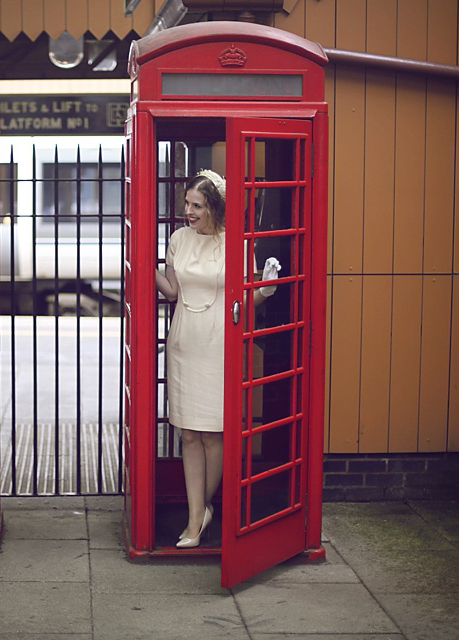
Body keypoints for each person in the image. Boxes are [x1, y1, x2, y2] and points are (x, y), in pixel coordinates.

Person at [154, 169, 280, 548]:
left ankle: (202, 509)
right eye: (187, 203)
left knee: (213, 434)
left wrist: (268, 288)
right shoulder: (178, 239)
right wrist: (145, 266)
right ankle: (196, 521)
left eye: (197, 206)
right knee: (189, 434)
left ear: (214, 208)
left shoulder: (236, 245)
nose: (188, 211)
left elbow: (243, 299)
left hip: (218, 343)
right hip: (184, 342)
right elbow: (173, 292)